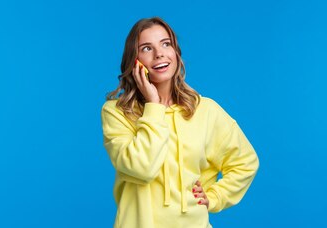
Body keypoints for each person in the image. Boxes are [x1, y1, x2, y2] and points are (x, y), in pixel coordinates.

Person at [101, 17, 259, 228]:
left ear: (176, 52)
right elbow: (141, 169)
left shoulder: (205, 110)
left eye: (166, 44)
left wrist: (215, 197)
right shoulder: (116, 112)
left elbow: (245, 162)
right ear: (134, 61)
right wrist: (154, 106)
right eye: (147, 48)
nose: (159, 54)